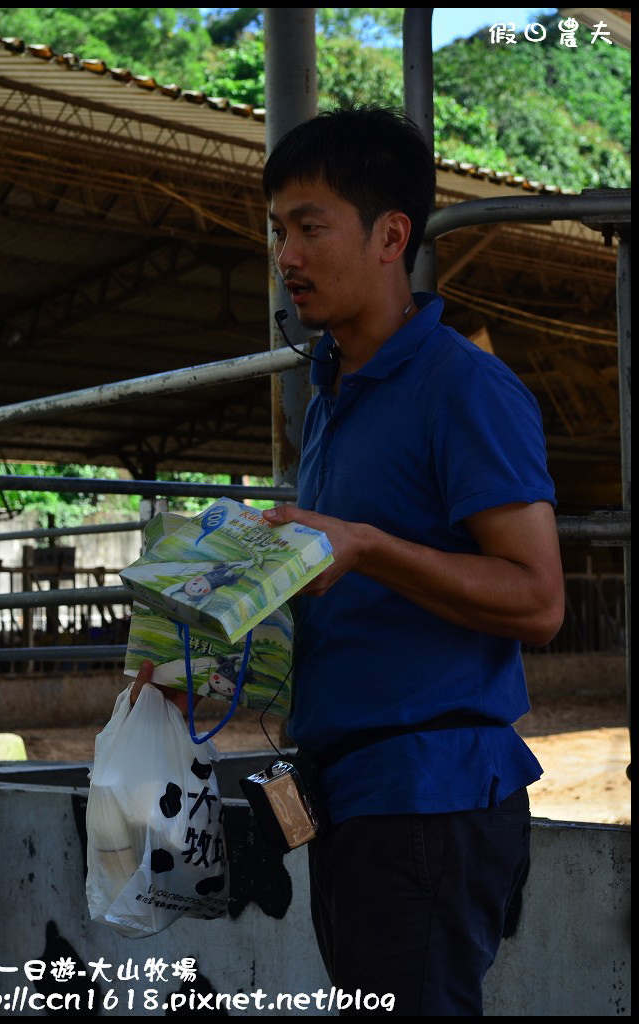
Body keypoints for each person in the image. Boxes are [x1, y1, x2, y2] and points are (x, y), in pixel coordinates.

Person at [258, 105, 565, 1016]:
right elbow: (347, 592)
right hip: (350, 792)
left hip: (428, 796)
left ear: (392, 234)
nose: (287, 256)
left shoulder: (462, 385)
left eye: (310, 227)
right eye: (278, 231)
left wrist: (368, 547)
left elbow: (539, 600)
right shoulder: (330, 394)